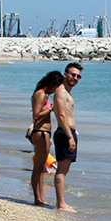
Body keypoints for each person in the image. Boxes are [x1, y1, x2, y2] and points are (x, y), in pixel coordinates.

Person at [28, 71, 64, 205]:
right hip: (40, 131)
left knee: (41, 167)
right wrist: (51, 109)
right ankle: (37, 198)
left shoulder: (42, 94)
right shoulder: (40, 94)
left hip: (44, 132)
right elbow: (36, 115)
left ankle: (40, 197)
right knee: (38, 167)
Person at [52, 62, 82, 212]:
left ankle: (61, 202)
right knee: (62, 170)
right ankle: (60, 203)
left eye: (78, 76)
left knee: (64, 170)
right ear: (65, 74)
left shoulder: (67, 93)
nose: (75, 78)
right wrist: (70, 136)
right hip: (65, 132)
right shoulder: (61, 92)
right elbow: (62, 115)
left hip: (68, 132)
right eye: (72, 75)